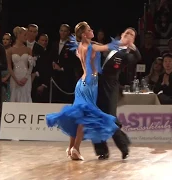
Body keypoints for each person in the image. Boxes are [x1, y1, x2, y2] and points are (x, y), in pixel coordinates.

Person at [46, 21, 126, 160]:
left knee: (79, 116)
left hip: (81, 83)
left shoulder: (81, 46)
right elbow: (110, 47)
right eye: (89, 29)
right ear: (84, 34)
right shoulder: (91, 47)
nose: (92, 30)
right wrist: (124, 43)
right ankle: (76, 148)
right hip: (90, 84)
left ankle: (71, 148)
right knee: (85, 117)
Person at [94, 28, 141, 160]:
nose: (128, 35)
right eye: (126, 33)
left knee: (110, 117)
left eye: (132, 35)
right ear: (121, 35)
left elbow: (137, 57)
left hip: (111, 86)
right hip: (98, 84)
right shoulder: (110, 46)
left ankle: (123, 145)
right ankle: (101, 151)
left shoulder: (127, 55)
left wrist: (133, 47)